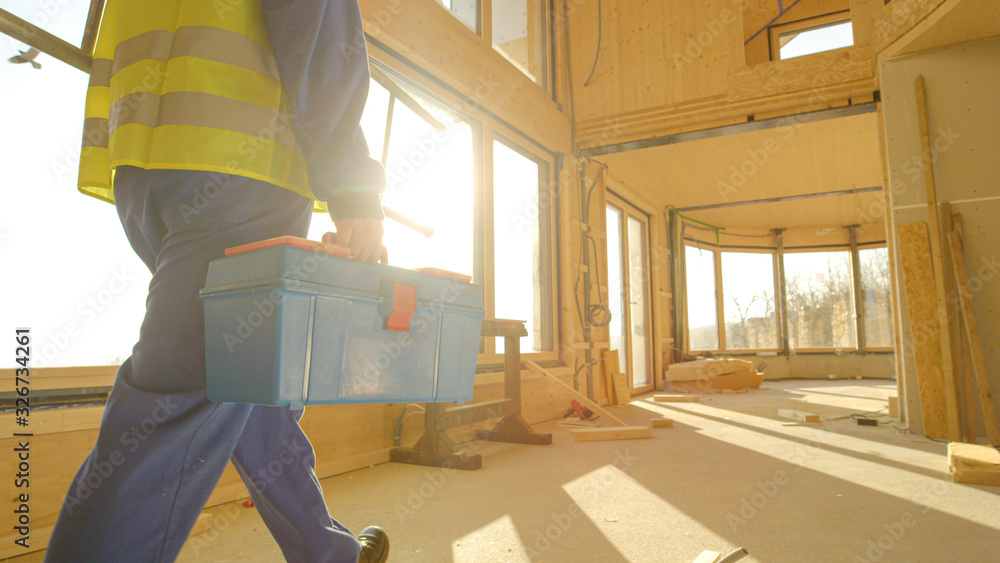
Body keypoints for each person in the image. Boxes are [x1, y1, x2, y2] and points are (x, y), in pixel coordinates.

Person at [45, 1, 390, 561]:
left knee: (244, 373)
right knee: (179, 397)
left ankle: (328, 553)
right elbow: (320, 32)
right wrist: (353, 188)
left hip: (145, 163)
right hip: (241, 160)